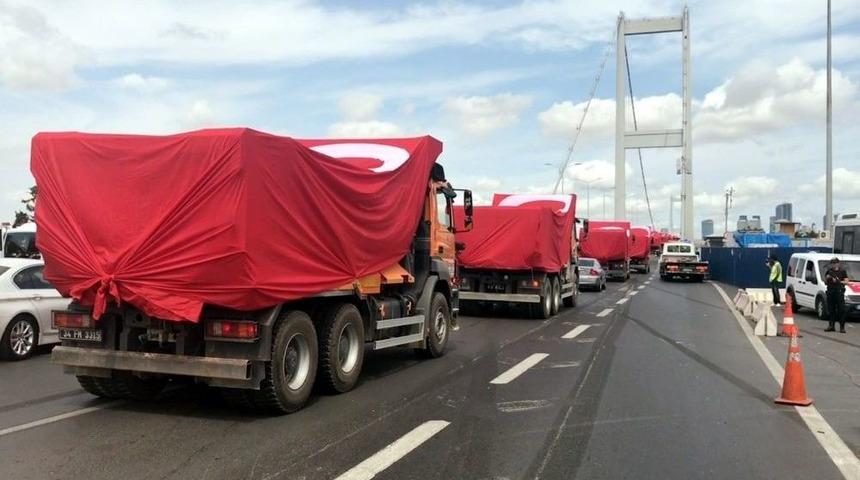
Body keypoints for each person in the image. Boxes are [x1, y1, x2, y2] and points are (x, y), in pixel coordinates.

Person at [824, 257, 849, 333]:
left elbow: (846, 281)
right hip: (831, 292)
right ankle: (831, 326)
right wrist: (827, 278)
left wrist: (838, 281)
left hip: (839, 292)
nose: (834, 264)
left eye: (835, 263)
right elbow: (825, 282)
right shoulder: (829, 271)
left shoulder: (842, 271)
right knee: (831, 310)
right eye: (832, 263)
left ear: (838, 263)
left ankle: (842, 327)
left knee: (841, 310)